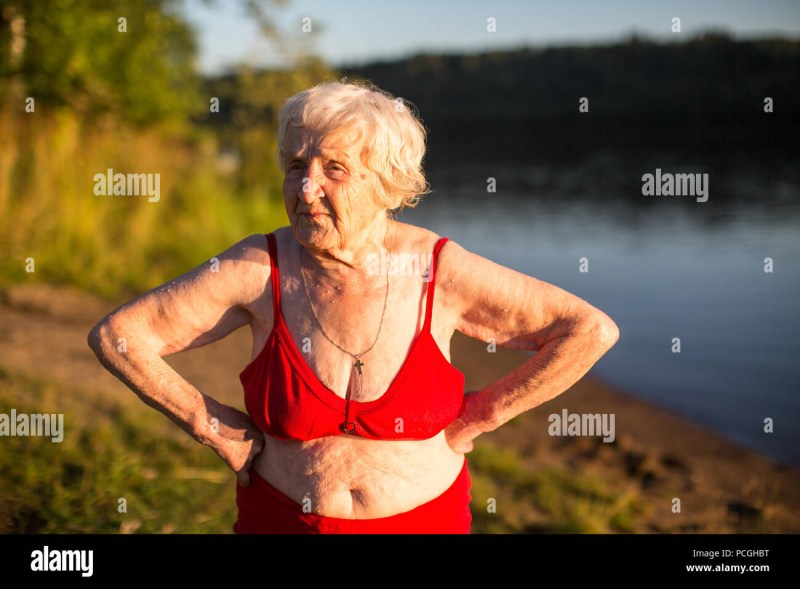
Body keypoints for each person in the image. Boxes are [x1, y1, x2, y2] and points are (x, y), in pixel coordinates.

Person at [88, 80, 619, 534]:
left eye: (333, 169)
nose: (305, 187)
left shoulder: (441, 269)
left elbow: (587, 329)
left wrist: (485, 413)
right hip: (281, 520)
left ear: (386, 184)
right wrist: (209, 424)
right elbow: (120, 336)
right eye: (296, 165)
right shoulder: (257, 267)